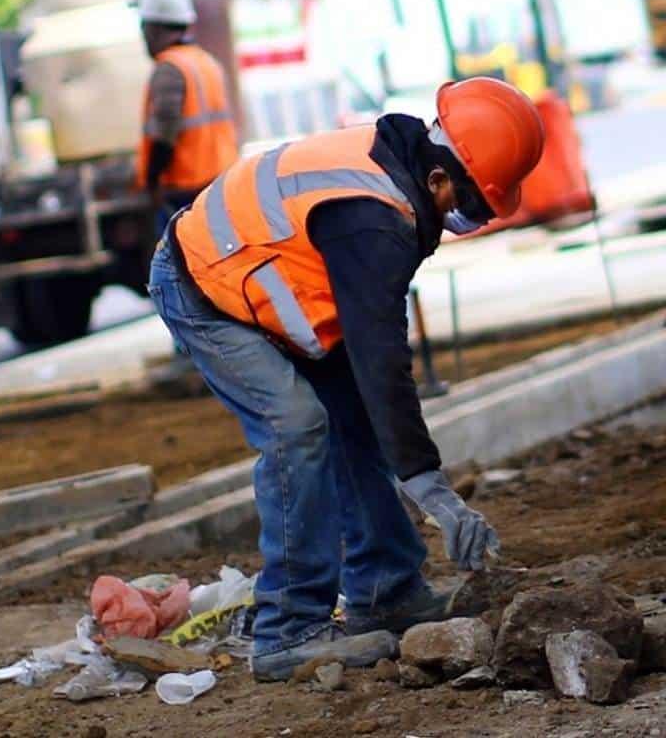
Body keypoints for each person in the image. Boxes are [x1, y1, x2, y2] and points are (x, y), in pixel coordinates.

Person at [146, 77, 545, 680]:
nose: (463, 220)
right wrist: (435, 492)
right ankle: (287, 630)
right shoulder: (375, 221)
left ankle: (387, 591)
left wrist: (417, 469)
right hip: (205, 285)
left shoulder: (395, 173)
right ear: (439, 179)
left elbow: (373, 371)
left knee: (351, 419)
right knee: (297, 426)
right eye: (468, 205)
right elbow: (382, 361)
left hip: (266, 282)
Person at [133, 0, 238, 235]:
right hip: (219, 182)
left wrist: (152, 182)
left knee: (180, 266)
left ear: (155, 28)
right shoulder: (204, 61)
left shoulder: (170, 69)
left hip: (185, 192)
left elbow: (164, 132)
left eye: (144, 28)